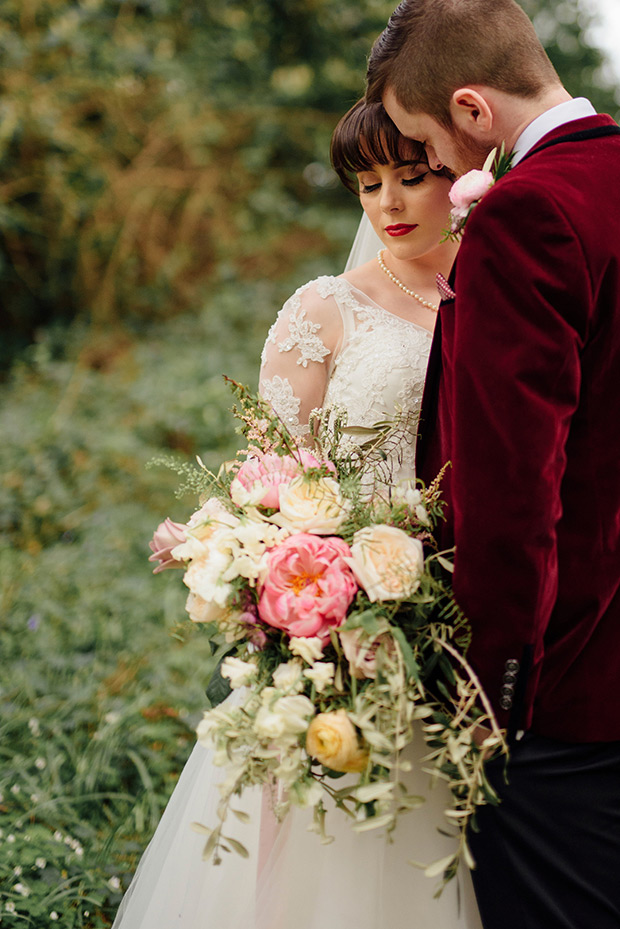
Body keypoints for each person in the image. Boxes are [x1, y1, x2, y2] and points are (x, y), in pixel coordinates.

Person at [111, 99, 484, 929]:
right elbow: (271, 474)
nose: (387, 202)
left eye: (411, 178)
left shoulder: (492, 293)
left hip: (461, 616)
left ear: (454, 176)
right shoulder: (324, 308)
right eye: (368, 183)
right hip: (342, 612)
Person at [365, 2, 620, 927]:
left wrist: (492, 693)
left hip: (568, 695)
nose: (435, 170)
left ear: (471, 108)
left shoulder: (527, 215)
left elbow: (513, 494)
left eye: (426, 141)